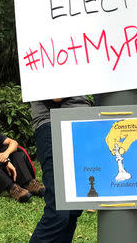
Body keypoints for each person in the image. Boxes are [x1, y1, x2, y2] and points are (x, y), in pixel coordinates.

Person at [30, 97, 90, 243]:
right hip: (54, 123)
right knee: (58, 211)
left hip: (81, 124)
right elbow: (56, 96)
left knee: (73, 210)